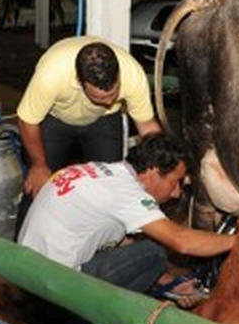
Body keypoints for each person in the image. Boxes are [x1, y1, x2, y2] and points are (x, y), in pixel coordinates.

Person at [17, 132, 234, 305]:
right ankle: (105, 320)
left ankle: (156, 289)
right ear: (153, 172)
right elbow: (183, 242)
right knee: (153, 252)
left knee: (141, 245)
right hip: (52, 290)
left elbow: (118, 242)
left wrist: (168, 284)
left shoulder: (102, 170)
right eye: (174, 182)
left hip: (24, 272)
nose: (176, 193)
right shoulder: (127, 194)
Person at [16, 37, 162, 202]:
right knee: (37, 185)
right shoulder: (51, 74)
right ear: (79, 81)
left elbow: (147, 125)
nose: (108, 102)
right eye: (99, 97)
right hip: (56, 118)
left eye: (113, 94)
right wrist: (39, 165)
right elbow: (27, 121)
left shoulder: (132, 73)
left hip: (104, 118)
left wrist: (162, 163)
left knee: (111, 186)